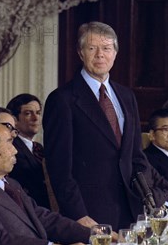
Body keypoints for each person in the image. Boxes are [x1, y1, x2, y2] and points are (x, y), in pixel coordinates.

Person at [43, 21, 148, 230]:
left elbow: (136, 156)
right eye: (92, 48)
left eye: (106, 48)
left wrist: (146, 200)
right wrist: (78, 215)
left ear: (115, 53)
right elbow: (59, 168)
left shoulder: (127, 97)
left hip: (130, 210)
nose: (100, 55)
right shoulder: (62, 100)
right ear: (81, 53)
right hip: (89, 214)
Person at [5, 94, 52, 208]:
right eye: (28, 113)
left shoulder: (39, 148)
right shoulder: (11, 148)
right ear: (14, 120)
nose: (35, 118)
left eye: (38, 113)